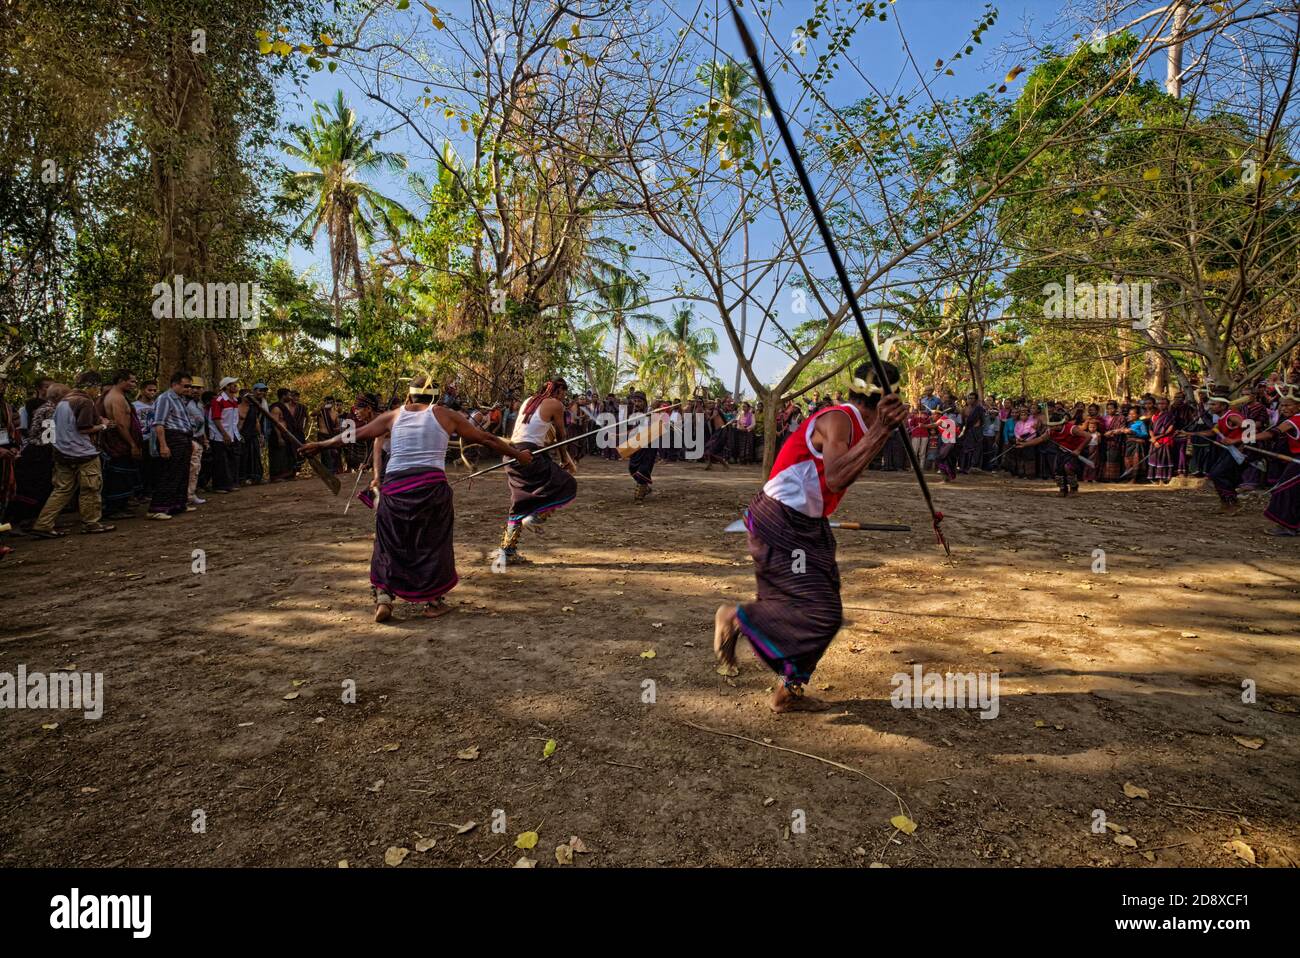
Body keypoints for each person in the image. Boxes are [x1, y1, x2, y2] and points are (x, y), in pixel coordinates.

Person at [713, 361, 908, 713]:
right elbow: (835, 478)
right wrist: (882, 431)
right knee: (823, 613)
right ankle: (737, 618)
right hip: (781, 519)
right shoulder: (839, 420)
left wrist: (882, 431)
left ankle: (789, 691)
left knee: (819, 600)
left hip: (807, 522)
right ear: (884, 399)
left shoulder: (864, 424)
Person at [301, 375, 532, 621]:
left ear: (409, 396)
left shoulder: (393, 415)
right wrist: (518, 455)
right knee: (433, 543)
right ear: (435, 398)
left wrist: (323, 444)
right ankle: (433, 602)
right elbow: (486, 438)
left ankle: (384, 597)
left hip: (395, 489)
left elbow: (356, 434)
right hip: (431, 489)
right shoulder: (446, 415)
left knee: (388, 543)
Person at [496, 377, 578, 567]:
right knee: (567, 483)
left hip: (512, 454)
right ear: (559, 391)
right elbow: (561, 435)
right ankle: (535, 518)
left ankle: (507, 552)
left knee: (519, 503)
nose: (564, 397)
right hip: (528, 455)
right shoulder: (555, 404)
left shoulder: (529, 401)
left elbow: (533, 432)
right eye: (564, 393)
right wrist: (565, 459)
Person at [29, 371, 115, 537]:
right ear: (92, 386)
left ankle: (43, 524)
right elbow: (84, 428)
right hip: (82, 452)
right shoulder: (84, 401)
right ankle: (91, 523)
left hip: (62, 452)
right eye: (96, 388)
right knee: (90, 488)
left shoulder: (62, 402)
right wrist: (104, 426)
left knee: (61, 490)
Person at [96, 369, 144, 520]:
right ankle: (114, 509)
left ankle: (121, 505)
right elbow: (121, 425)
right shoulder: (116, 398)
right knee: (119, 476)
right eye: (132, 381)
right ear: (121, 380)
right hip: (120, 443)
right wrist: (132, 444)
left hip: (123, 442)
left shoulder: (119, 396)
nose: (134, 385)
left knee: (125, 475)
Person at [148, 371, 195, 520]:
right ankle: (157, 508)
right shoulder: (165, 398)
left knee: (182, 473)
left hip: (183, 438)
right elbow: (159, 423)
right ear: (174, 384)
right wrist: (163, 445)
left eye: (190, 386)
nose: (188, 389)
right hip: (172, 437)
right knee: (169, 473)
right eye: (185, 386)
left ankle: (177, 504)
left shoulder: (180, 399)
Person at [1260, 389, 1300, 536]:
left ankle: (1288, 527)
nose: (1283, 409)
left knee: (1283, 490)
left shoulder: (1293, 421)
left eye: (1288, 405)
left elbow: (1272, 433)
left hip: (1297, 462)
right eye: (1282, 406)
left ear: (1298, 406)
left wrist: (1245, 438)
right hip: (1295, 459)